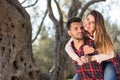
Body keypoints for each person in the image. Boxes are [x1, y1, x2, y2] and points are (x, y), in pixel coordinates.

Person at [65, 10, 120, 80]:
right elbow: (67, 47)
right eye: (87, 19)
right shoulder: (82, 32)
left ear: (97, 25)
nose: (87, 23)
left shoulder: (100, 35)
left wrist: (92, 54)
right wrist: (77, 59)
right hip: (96, 64)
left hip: (108, 62)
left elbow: (111, 54)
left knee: (109, 74)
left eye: (92, 22)